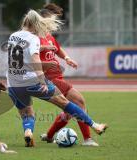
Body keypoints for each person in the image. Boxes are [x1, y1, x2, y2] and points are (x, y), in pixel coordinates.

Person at [7, 9, 107, 147]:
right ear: (36, 24)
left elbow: (23, 51)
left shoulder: (13, 36)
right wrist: (42, 80)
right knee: (66, 103)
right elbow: (35, 60)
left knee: (27, 112)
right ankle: (94, 125)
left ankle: (28, 132)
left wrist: (46, 48)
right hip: (32, 80)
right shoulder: (34, 38)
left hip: (13, 83)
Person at [39, 3, 99, 146]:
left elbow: (58, 49)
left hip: (57, 77)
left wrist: (66, 58)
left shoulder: (48, 36)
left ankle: (49, 136)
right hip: (50, 79)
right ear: (44, 20)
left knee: (69, 111)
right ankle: (87, 139)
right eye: (53, 20)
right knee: (79, 102)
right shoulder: (35, 37)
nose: (54, 24)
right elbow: (30, 54)